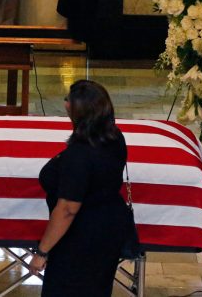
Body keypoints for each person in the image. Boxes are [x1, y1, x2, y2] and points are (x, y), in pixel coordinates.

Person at [28, 80, 132, 297]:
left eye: (69, 100)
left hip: (81, 238)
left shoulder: (80, 155)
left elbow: (67, 209)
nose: (65, 103)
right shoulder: (115, 136)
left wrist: (42, 251)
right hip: (108, 229)